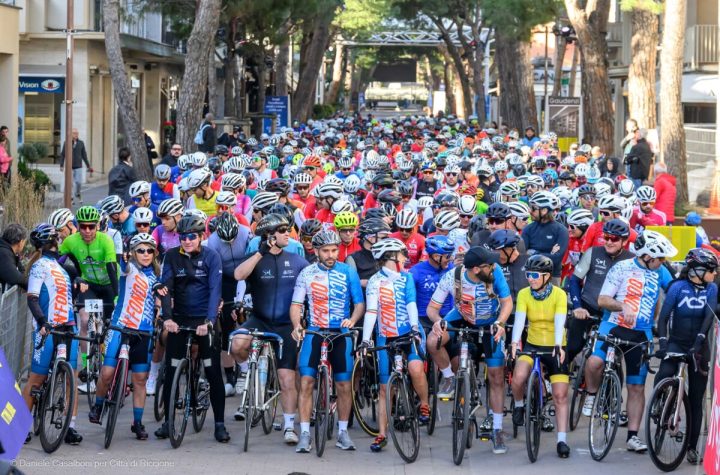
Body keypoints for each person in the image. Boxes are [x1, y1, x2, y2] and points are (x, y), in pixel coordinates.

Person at [583, 230, 676, 453]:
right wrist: (623, 306)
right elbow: (602, 299)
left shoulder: (660, 271)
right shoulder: (621, 267)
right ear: (647, 256)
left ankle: (632, 436)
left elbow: (675, 292)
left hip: (641, 333)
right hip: (614, 325)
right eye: (660, 258)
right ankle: (591, 395)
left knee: (636, 386)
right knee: (595, 362)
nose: (663, 262)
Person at [426, 246, 513, 454]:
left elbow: (507, 302)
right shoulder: (452, 277)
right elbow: (432, 309)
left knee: (496, 376)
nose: (493, 266)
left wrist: (500, 323)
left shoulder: (495, 273)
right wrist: (438, 322)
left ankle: (497, 429)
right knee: (432, 340)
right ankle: (449, 377)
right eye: (488, 265)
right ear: (475, 269)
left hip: (490, 322)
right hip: (463, 318)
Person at [231, 213, 308, 444]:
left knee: (286, 379)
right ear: (270, 235)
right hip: (260, 319)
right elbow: (238, 275)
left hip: (286, 324)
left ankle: (289, 426)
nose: (288, 234)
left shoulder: (297, 260)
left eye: (288, 229)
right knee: (237, 345)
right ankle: (247, 371)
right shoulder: (255, 257)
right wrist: (260, 253)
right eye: (283, 230)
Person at [154, 212, 229, 443]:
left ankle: (219, 424)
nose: (187, 241)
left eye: (192, 237)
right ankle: (168, 422)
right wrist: (167, 318)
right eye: (183, 237)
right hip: (179, 318)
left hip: (204, 319)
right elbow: (165, 288)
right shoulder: (171, 256)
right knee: (171, 369)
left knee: (212, 370)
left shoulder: (212, 256)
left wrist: (209, 321)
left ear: (201, 237)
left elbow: (215, 291)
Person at [290, 230, 365, 453]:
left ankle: (343, 432)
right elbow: (296, 304)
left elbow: (359, 303)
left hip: (340, 332)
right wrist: (297, 325)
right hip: (315, 330)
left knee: (344, 384)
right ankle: (305, 433)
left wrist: (353, 320)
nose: (331, 255)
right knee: (306, 381)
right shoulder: (306, 273)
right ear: (316, 251)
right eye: (326, 251)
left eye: (334, 250)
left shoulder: (348, 272)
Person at [88, 233, 160, 440]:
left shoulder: (158, 275)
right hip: (120, 327)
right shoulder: (128, 269)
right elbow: (123, 264)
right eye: (141, 250)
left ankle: (137, 422)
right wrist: (124, 257)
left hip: (143, 332)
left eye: (149, 250)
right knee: (107, 373)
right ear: (133, 253)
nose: (145, 254)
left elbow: (160, 299)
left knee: (140, 380)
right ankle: (98, 406)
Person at [360, 238, 428, 453]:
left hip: (408, 331)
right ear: (391, 256)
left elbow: (411, 303)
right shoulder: (374, 281)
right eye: (402, 253)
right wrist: (365, 339)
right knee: (384, 388)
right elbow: (371, 311)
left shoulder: (406, 277)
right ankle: (382, 434)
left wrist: (415, 328)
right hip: (385, 336)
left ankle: (424, 404)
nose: (405, 257)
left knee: (415, 368)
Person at [655, 248, 718, 465]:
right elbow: (663, 318)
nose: (714, 274)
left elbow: (708, 318)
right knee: (664, 374)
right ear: (697, 271)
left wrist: (699, 342)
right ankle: (660, 404)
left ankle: (691, 447)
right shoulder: (678, 287)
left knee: (695, 400)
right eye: (711, 270)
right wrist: (664, 343)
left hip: (699, 347)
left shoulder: (712, 289)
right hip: (676, 342)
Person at [21, 223, 82, 445]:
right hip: (48, 327)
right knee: (37, 378)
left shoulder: (61, 266)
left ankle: (70, 426)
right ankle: (22, 425)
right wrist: (42, 322)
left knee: (71, 377)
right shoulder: (39, 266)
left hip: (68, 327)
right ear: (54, 241)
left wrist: (78, 283)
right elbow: (32, 298)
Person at [510, 254, 570, 458]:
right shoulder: (524, 294)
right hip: (532, 344)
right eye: (528, 274)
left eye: (535, 275)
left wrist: (558, 344)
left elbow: (560, 320)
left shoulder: (559, 294)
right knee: (518, 377)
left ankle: (562, 440)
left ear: (547, 276)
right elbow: (520, 320)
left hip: (556, 345)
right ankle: (519, 406)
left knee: (560, 395)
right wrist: (514, 343)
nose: (530, 278)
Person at [567, 219, 633, 363]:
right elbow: (574, 281)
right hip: (587, 307)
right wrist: (577, 307)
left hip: (614, 312)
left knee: (614, 354)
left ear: (624, 241)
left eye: (614, 239)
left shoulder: (631, 260)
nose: (608, 242)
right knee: (572, 347)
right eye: (606, 237)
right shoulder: (593, 252)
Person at [205, 212, 250, 396]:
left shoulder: (246, 233)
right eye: (226, 240)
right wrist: (218, 298)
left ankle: (248, 365)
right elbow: (214, 272)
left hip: (246, 275)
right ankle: (230, 376)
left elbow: (251, 263)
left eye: (233, 239)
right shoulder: (213, 241)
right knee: (226, 326)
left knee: (246, 315)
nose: (230, 242)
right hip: (224, 279)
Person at [522, 191, 568, 283]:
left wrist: (533, 253)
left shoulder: (561, 230)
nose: (530, 211)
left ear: (544, 210)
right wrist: (549, 254)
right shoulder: (528, 229)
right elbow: (522, 256)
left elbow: (556, 259)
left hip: (552, 276)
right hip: (530, 275)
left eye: (533, 208)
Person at [60, 128, 92, 203]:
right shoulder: (67, 143)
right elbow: (63, 155)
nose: (76, 134)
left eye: (77, 133)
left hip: (78, 166)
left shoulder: (81, 143)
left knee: (78, 182)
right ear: (71, 134)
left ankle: (77, 193)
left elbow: (84, 155)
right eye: (74, 133)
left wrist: (88, 165)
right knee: (70, 183)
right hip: (69, 167)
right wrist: (61, 165)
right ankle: (71, 198)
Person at [0, 223, 28, 290]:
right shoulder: (4, 253)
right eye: (24, 242)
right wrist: (33, 288)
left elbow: (21, 271)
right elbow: (14, 277)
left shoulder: (6, 251)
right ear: (21, 242)